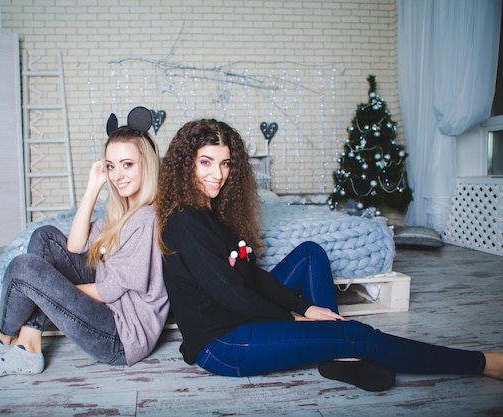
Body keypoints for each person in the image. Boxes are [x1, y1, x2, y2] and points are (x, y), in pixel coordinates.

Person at [155, 118, 503, 392]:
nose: (218, 175)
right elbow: (234, 295)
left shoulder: (210, 212)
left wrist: (307, 307)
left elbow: (250, 274)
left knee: (310, 253)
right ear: (187, 165)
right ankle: (482, 363)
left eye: (226, 163)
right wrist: (293, 319)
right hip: (223, 345)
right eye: (206, 162)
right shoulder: (186, 223)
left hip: (236, 318)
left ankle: (336, 355)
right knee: (354, 333)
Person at [0, 107, 169, 382]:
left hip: (121, 336)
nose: (117, 175)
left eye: (127, 164)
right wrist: (93, 187)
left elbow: (111, 289)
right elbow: (74, 246)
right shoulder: (120, 212)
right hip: (109, 310)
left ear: (146, 165)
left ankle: (4, 335)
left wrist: (50, 293)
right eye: (111, 166)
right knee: (45, 237)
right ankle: (28, 343)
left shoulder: (146, 218)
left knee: (26, 269)